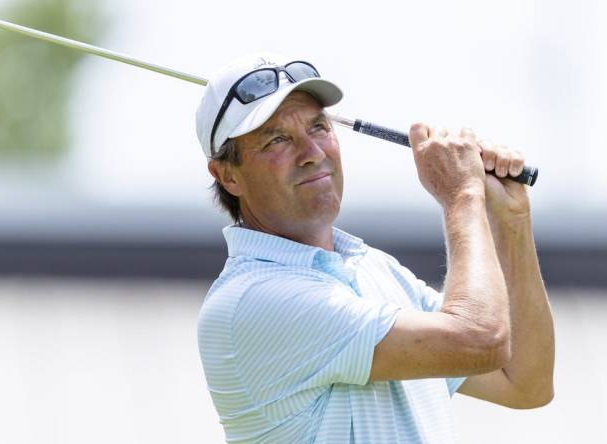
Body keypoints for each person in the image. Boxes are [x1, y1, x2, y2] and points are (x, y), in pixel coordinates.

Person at [195, 53, 554, 443]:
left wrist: (511, 220)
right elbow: (480, 340)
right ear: (227, 175)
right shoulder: (253, 299)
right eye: (277, 139)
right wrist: (463, 195)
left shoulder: (373, 268)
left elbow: (525, 381)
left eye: (318, 127)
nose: (312, 152)